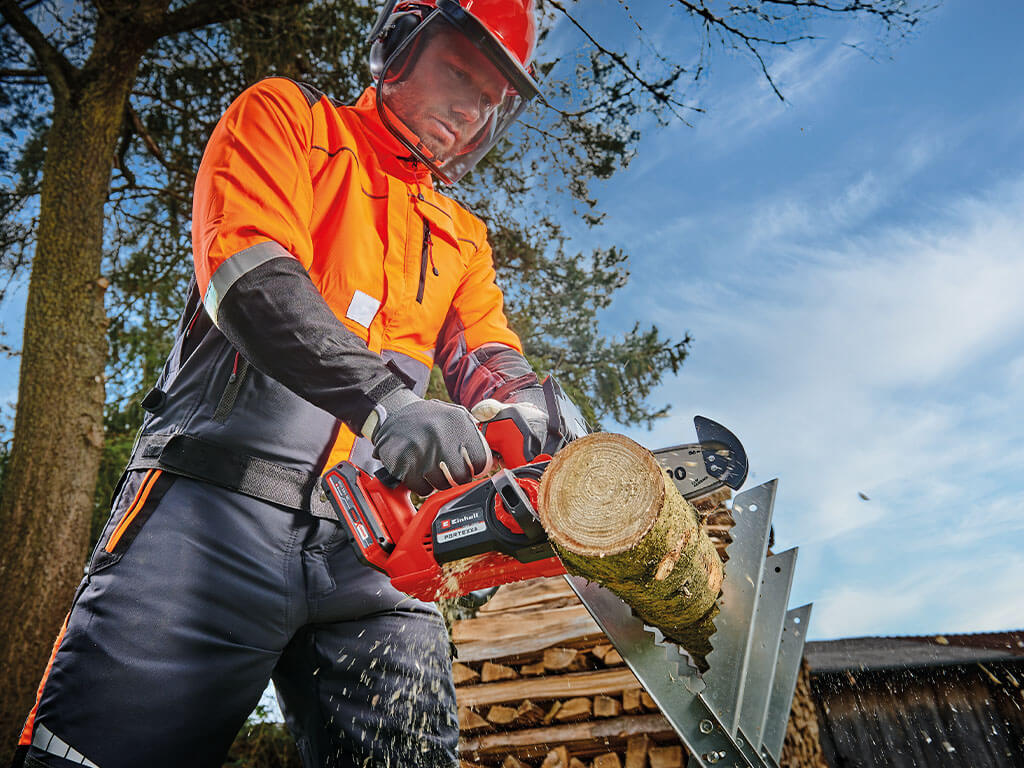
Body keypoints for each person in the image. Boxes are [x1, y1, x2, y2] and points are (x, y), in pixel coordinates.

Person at [14, 1, 554, 766]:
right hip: (215, 512)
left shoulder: (462, 237)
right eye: (457, 73)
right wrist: (391, 403)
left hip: (376, 550)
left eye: (489, 98)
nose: (467, 110)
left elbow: (487, 354)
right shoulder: (293, 123)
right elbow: (248, 276)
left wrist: (525, 413)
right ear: (399, 46)